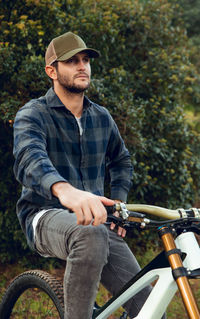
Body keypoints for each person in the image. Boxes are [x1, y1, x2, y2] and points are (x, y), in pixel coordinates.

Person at [13, 31, 152, 319]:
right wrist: (66, 191)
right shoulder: (34, 114)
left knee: (149, 309)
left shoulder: (101, 117)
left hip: (99, 222)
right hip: (45, 214)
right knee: (89, 234)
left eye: (86, 60)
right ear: (52, 70)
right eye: (72, 61)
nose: (82, 66)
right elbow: (29, 158)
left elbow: (122, 161)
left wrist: (118, 205)